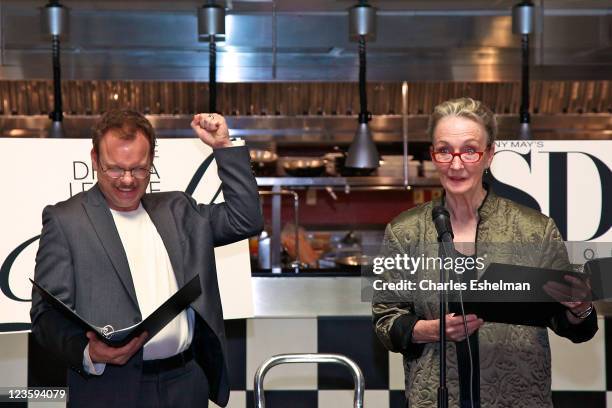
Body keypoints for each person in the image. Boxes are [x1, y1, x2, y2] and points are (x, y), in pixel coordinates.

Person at [372, 97, 597, 407]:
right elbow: (385, 320)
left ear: (489, 155)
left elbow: (573, 325)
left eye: (469, 150)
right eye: (444, 150)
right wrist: (427, 330)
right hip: (435, 398)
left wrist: (579, 308)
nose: (456, 163)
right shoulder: (405, 231)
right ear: (433, 155)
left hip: (517, 397)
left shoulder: (534, 229)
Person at [30, 110, 263, 408]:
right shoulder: (65, 220)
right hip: (107, 389)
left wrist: (223, 146)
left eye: (139, 169)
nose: (127, 180)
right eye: (114, 169)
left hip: (184, 384)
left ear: (151, 161)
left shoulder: (178, 210)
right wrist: (88, 352)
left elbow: (246, 220)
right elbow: (45, 316)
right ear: (94, 159)